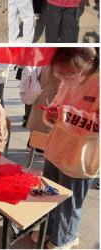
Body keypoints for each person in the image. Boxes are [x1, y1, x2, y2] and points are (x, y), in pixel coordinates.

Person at [30, 47, 99, 249]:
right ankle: (49, 229)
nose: (66, 78)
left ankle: (66, 238)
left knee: (69, 204)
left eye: (70, 72)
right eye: (61, 73)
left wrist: (65, 115)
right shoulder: (67, 80)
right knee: (50, 195)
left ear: (89, 61)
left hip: (80, 157)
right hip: (56, 149)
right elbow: (57, 105)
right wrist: (52, 114)